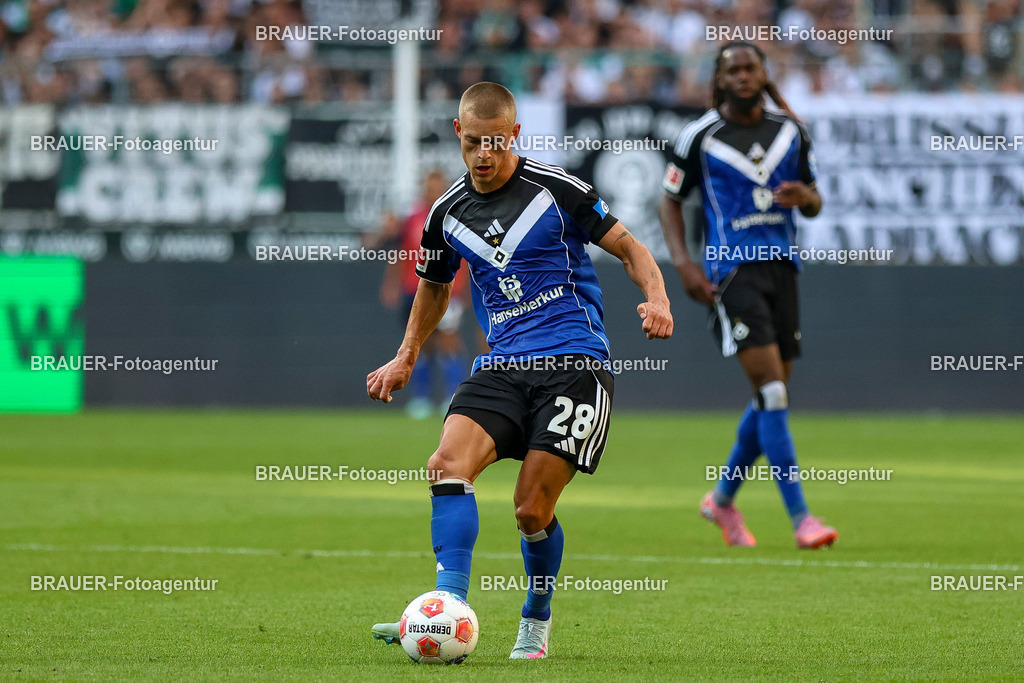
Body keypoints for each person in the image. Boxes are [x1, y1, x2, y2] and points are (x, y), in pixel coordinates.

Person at [367, 81, 672, 659]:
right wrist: (406, 356)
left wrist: (656, 297)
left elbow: (631, 248)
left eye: (495, 142)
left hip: (574, 364)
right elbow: (433, 289)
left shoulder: (560, 191)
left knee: (531, 508)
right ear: (458, 135)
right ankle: (445, 608)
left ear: (514, 136)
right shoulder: (445, 213)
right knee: (445, 466)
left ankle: (535, 615)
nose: (483, 154)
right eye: (473, 143)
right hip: (503, 364)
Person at [659, 41, 838, 550]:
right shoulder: (699, 136)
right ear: (719, 80)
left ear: (763, 73)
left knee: (770, 395)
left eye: (749, 67)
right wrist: (685, 264)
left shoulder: (791, 131)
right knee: (774, 394)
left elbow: (815, 201)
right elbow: (668, 202)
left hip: (783, 270)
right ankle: (802, 518)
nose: (741, 75)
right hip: (731, 273)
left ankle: (721, 500)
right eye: (731, 69)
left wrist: (807, 198)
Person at [378, 170, 470, 418]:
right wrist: (391, 284)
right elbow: (400, 252)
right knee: (422, 345)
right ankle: (421, 399)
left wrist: (467, 290)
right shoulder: (412, 218)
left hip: (447, 288)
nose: (434, 190)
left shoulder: (456, 215)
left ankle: (454, 397)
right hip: (413, 288)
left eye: (439, 185)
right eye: (430, 185)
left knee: (449, 342)